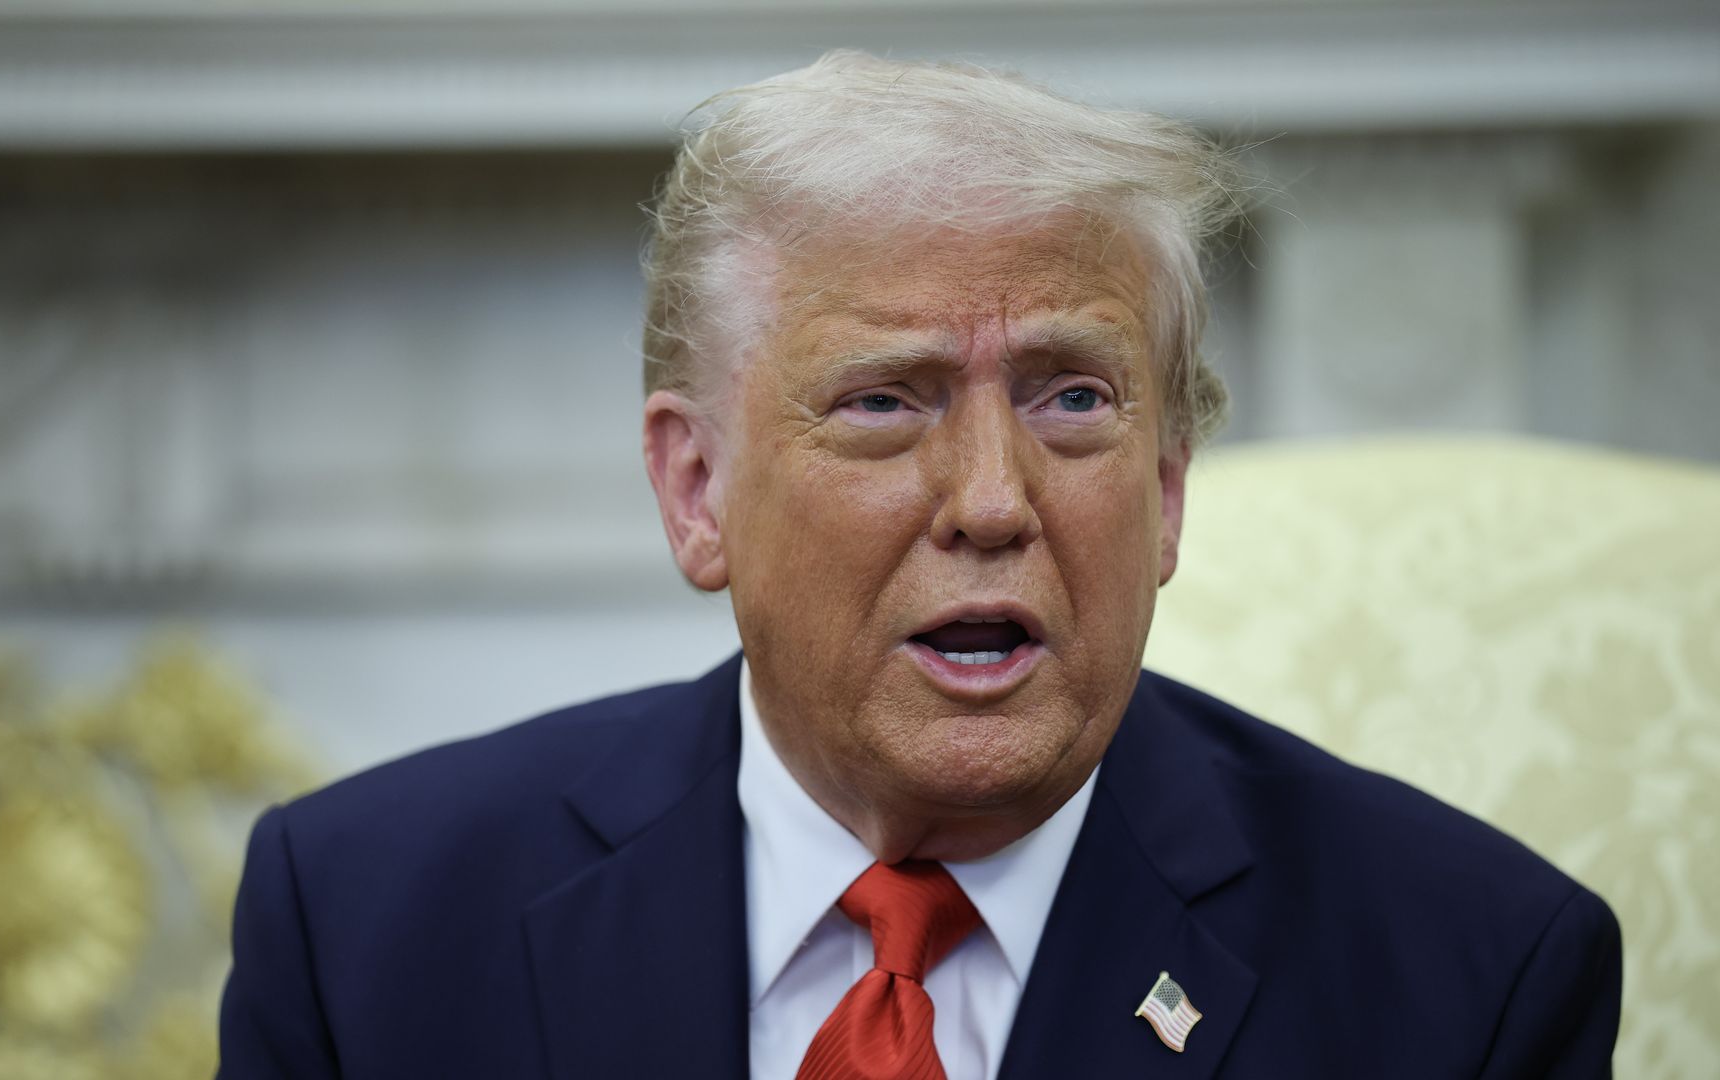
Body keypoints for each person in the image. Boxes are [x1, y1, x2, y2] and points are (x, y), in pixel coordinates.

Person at [217, 52, 1620, 1079]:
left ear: (1171, 485)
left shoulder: (1470, 980)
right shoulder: (368, 926)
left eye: (1074, 399)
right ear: (696, 487)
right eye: (886, 402)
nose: (995, 503)